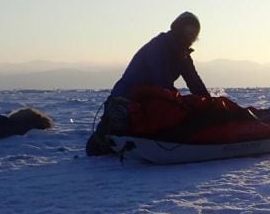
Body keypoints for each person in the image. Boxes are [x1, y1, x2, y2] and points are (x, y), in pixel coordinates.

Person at [86, 12, 210, 156]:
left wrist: (209, 104)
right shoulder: (159, 46)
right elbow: (162, 81)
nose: (189, 37)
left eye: (193, 34)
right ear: (177, 28)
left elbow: (195, 82)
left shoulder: (183, 55)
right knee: (101, 144)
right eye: (187, 31)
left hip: (149, 100)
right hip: (126, 98)